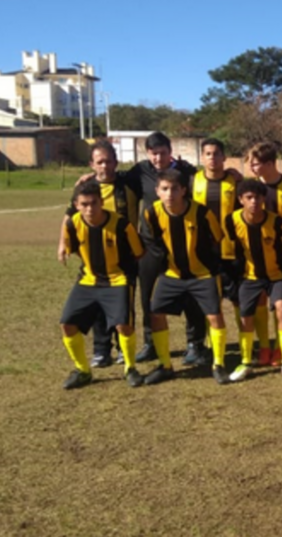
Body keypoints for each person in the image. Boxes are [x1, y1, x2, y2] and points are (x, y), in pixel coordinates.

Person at [141, 169, 228, 385]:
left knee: (214, 316)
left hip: (203, 274)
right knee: (156, 313)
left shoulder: (202, 213)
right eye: (164, 189)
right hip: (172, 275)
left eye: (174, 189)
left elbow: (217, 239)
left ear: (184, 191)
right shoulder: (151, 214)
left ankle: (218, 364)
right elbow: (152, 243)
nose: (169, 194)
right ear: (157, 191)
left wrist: (211, 266)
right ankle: (165, 365)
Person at [57, 181, 144, 389]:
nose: (90, 209)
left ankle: (130, 368)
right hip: (88, 280)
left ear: (102, 202)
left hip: (118, 280)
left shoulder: (122, 225)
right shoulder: (72, 224)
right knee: (67, 324)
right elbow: (75, 248)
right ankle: (83, 371)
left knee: (123, 324)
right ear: (76, 205)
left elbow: (139, 252)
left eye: (94, 203)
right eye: (84, 204)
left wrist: (124, 274)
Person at [123, 132, 200, 364]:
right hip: (149, 245)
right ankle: (151, 343)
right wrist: (91, 177)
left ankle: (195, 344)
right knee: (148, 296)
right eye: (154, 154)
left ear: (170, 150)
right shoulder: (140, 171)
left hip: (181, 243)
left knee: (189, 294)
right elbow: (114, 181)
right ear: (147, 154)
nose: (158, 158)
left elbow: (208, 180)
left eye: (163, 153)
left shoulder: (186, 171)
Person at [62, 139, 139, 369]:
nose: (104, 166)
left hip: (125, 255)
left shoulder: (130, 183)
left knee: (123, 306)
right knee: (96, 304)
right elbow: (69, 217)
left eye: (108, 161)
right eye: (99, 162)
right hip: (94, 253)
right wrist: (61, 243)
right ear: (91, 164)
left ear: (116, 162)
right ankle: (101, 350)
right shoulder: (86, 189)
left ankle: (124, 351)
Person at [224, 179, 282, 384]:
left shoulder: (277, 223)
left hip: (276, 276)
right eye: (249, 197)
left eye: (258, 197)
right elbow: (231, 252)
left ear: (264, 198)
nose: (254, 201)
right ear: (241, 200)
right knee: (245, 317)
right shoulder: (231, 221)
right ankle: (246, 361)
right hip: (250, 277)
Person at [245, 141, 282, 367]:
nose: (252, 167)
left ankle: (281, 348)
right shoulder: (250, 188)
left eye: (256, 163)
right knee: (258, 300)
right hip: (257, 252)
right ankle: (264, 346)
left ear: (270, 163)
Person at [190, 138, 240, 366]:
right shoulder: (192, 181)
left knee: (239, 300)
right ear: (202, 157)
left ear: (224, 157)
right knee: (210, 302)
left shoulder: (235, 181)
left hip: (231, 250)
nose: (212, 158)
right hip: (202, 253)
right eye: (208, 154)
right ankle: (209, 346)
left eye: (216, 153)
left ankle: (245, 343)